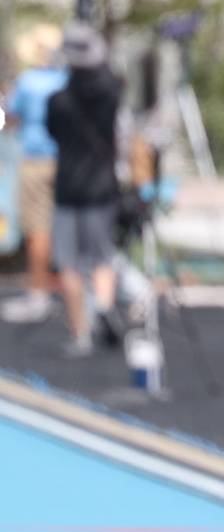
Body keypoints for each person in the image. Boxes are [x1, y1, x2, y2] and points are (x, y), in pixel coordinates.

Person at [44, 22, 123, 358]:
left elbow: (54, 135)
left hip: (68, 187)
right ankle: (103, 306)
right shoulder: (111, 92)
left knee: (69, 262)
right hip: (102, 186)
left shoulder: (58, 101)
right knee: (102, 256)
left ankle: (81, 333)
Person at [1, 23, 67, 325]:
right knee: (61, 227)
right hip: (65, 160)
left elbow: (11, 115)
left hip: (37, 161)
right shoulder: (65, 80)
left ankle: (39, 291)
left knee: (37, 229)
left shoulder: (29, 83)